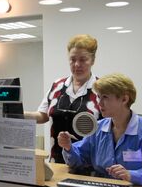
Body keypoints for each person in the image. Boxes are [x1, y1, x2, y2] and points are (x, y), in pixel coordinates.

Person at [58, 73, 142, 186]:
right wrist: (68, 147)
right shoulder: (97, 129)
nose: (99, 103)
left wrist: (131, 175)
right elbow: (80, 161)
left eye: (105, 97)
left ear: (124, 99)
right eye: (98, 96)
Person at [34, 34, 101, 163]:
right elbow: (42, 116)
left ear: (92, 60)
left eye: (83, 60)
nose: (77, 64)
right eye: (73, 59)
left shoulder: (102, 89)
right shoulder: (58, 86)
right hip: (57, 161)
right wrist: (14, 114)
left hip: (90, 164)